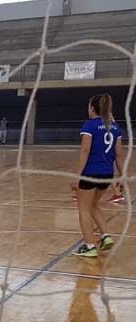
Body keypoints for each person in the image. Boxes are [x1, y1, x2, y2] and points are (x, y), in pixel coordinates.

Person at [72, 94, 120, 257]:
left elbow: (85, 150)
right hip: (107, 174)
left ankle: (90, 246)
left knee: (83, 208)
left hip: (90, 173)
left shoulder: (90, 125)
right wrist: (121, 174)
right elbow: (119, 154)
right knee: (93, 205)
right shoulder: (115, 127)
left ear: (92, 108)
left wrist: (77, 176)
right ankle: (105, 236)